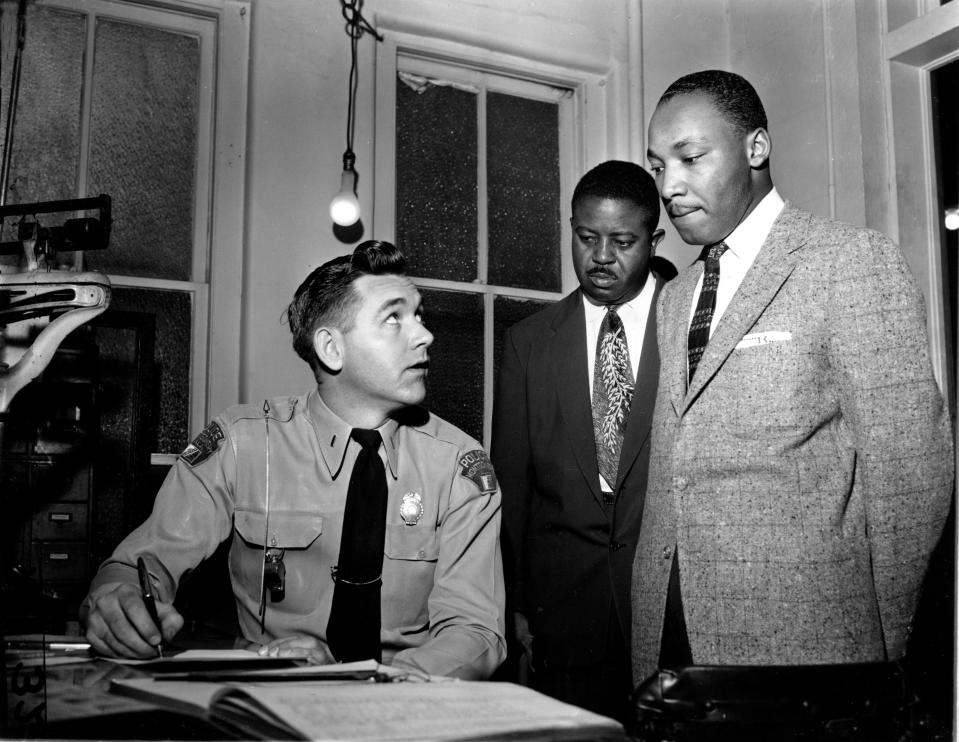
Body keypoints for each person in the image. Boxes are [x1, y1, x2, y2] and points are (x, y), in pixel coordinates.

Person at [632, 69, 953, 685]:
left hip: (810, 652)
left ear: (756, 148)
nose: (669, 187)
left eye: (690, 158)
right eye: (656, 167)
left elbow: (912, 473)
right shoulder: (677, 298)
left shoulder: (848, 262)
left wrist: (881, 645)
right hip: (671, 649)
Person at [81, 240, 506, 680]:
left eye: (419, 315)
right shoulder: (243, 443)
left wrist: (369, 681)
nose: (424, 334)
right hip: (265, 698)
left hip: (404, 707)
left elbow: (475, 631)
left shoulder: (460, 466)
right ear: (331, 348)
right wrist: (118, 598)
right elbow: (145, 561)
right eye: (394, 318)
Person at [491, 160, 670, 724]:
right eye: (586, 237)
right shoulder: (527, 343)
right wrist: (512, 602)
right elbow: (512, 484)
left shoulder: (694, 325)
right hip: (562, 612)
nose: (600, 257)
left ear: (654, 239)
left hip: (669, 612)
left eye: (623, 241)